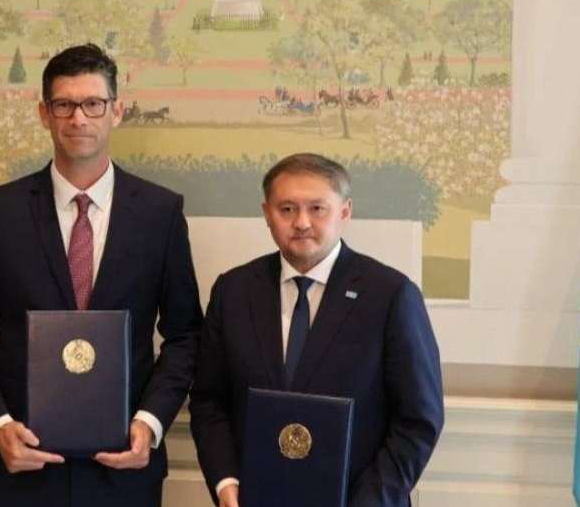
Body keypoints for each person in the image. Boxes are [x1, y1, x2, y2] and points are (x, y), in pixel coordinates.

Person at [0, 43, 203, 507]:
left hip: (124, 467)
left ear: (116, 111)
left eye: (92, 104)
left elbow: (185, 336)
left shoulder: (161, 213)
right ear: (44, 113)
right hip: (21, 465)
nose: (78, 118)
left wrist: (150, 422)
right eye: (64, 104)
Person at [189, 153, 444, 507]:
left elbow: (418, 420)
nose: (302, 222)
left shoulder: (390, 295)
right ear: (267, 213)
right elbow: (209, 402)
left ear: (344, 212)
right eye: (287, 209)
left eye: (318, 208)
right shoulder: (233, 291)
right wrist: (226, 483)